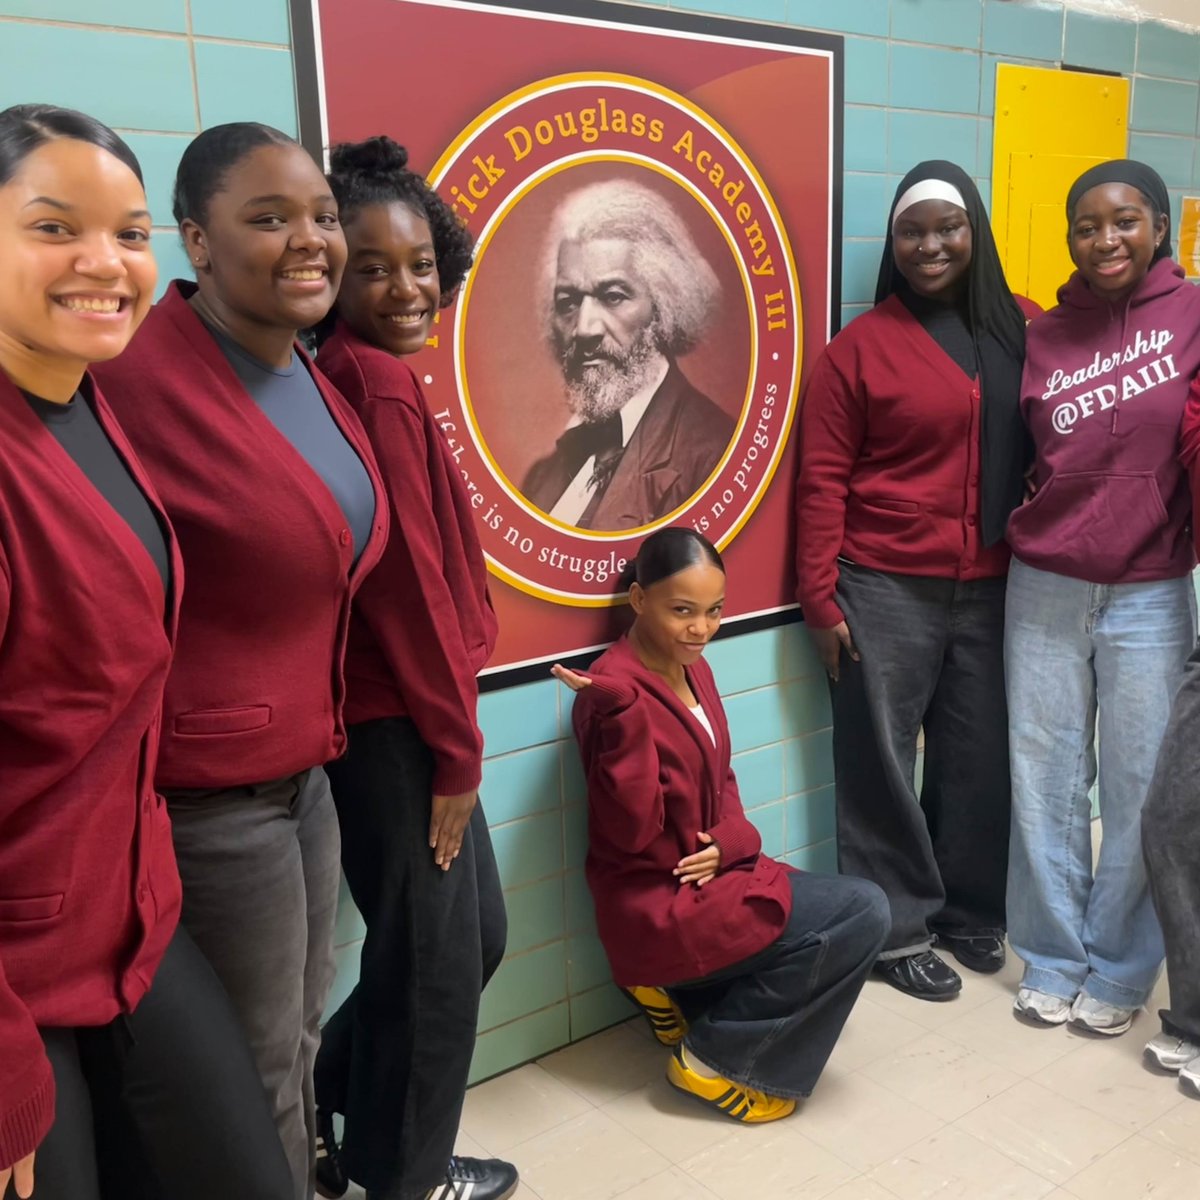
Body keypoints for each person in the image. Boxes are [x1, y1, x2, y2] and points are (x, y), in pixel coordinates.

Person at [90, 122, 388, 1199]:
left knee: (297, 1034)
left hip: (304, 773)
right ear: (197, 240)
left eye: (321, 216)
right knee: (251, 1069)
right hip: (206, 795)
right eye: (269, 218)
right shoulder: (133, 377)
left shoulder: (297, 363)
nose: (309, 239)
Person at [0, 104, 293, 1200]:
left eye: (128, 234)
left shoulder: (84, 399)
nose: (103, 262)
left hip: (129, 918)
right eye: (53, 227)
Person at [310, 136, 515, 1200]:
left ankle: (328, 1097)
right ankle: (406, 1180)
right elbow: (409, 590)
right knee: (438, 968)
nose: (405, 288)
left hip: (405, 720)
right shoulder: (375, 382)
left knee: (462, 942)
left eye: (420, 264)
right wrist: (457, 752)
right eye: (373, 268)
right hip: (401, 728)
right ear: (329, 276)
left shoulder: (360, 371)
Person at [795, 161, 1036, 1002]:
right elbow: (821, 479)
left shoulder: (1023, 329)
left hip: (998, 584)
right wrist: (818, 597)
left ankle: (970, 909)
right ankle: (895, 930)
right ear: (893, 245)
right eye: (912, 232)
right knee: (881, 763)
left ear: (976, 234)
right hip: (882, 585)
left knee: (979, 758)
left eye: (948, 227)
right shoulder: (859, 349)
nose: (930, 245)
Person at [554, 528, 890, 1121]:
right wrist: (625, 720)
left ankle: (677, 992)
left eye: (713, 611)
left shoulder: (694, 669)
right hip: (660, 902)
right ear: (639, 600)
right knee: (862, 912)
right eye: (682, 611)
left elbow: (721, 781)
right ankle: (709, 1062)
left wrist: (738, 840)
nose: (701, 629)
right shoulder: (610, 696)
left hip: (710, 878)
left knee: (828, 908)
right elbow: (630, 833)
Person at [1005, 160, 1200, 1035]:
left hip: (1151, 589)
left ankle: (1121, 968)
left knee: (1137, 785)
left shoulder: (1193, 316)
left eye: (1124, 221)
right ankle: (1052, 954)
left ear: (1157, 226)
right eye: (1087, 226)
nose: (1105, 239)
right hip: (1045, 582)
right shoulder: (1045, 333)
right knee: (1044, 775)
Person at [521, 179, 733, 529]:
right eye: (568, 302)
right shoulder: (540, 480)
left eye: (613, 296)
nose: (584, 329)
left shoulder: (715, 459)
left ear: (662, 306)